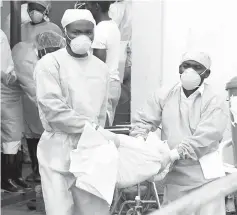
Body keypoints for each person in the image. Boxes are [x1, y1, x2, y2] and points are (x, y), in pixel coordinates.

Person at [130, 52, 228, 215]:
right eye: (186, 66)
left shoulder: (214, 100)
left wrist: (172, 155)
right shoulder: (165, 94)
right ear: (179, 69)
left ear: (207, 73)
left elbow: (205, 138)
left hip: (205, 178)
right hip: (175, 177)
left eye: (197, 67)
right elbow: (144, 120)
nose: (190, 71)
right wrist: (140, 140)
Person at [34, 9, 111, 215]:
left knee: (94, 209)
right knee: (59, 209)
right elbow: (52, 109)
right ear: (65, 32)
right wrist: (90, 127)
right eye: (76, 32)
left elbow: (103, 109)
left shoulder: (101, 68)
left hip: (91, 148)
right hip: (58, 149)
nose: (83, 37)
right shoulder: (50, 64)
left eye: (88, 32)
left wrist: (99, 135)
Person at [11, 31, 66, 183]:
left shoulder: (36, 51)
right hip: (24, 98)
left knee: (38, 132)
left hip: (31, 96)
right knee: (35, 133)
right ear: (44, 50)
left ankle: (40, 171)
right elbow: (36, 93)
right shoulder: (26, 61)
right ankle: (38, 171)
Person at [1, 29, 31, 193]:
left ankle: (13, 176)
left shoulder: (1, 35)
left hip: (8, 88)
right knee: (10, 136)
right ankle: (7, 178)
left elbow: (6, 62)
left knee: (14, 135)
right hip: (4, 90)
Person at [86, 1, 121, 126]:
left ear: (97, 7)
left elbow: (98, 63)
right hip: (113, 83)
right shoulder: (113, 26)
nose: (86, 9)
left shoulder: (101, 29)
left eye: (88, 5)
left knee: (100, 130)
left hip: (104, 85)